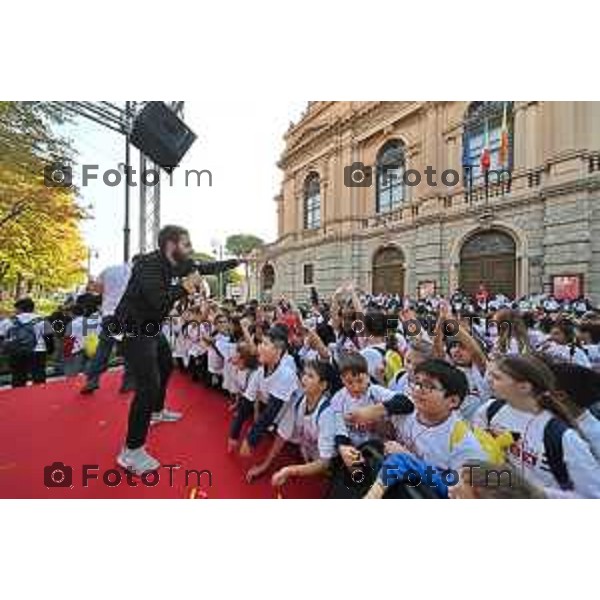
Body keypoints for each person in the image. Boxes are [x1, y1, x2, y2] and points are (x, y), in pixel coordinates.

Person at [115, 225, 239, 474]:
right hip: (132, 328)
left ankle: (157, 412)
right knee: (147, 386)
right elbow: (159, 300)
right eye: (186, 243)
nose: (191, 248)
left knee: (165, 363)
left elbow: (204, 268)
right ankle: (131, 451)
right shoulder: (147, 265)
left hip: (150, 327)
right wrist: (186, 286)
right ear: (171, 245)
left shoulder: (177, 263)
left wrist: (238, 261)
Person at [473, 355, 600, 498]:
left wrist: (536, 492)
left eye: (497, 377)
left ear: (524, 387)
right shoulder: (489, 410)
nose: (489, 381)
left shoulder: (562, 437)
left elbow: (592, 496)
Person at [246, 360, 336, 487]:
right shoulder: (299, 401)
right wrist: (264, 465)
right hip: (306, 454)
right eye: (304, 374)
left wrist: (290, 470)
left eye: (310, 376)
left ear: (323, 385)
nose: (303, 378)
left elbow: (325, 462)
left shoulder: (327, 414)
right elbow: (282, 435)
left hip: (324, 466)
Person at [81, 259, 136, 394]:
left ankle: (92, 380)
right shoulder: (138, 272)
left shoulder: (109, 269)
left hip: (109, 314)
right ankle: (128, 382)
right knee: (131, 350)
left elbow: (97, 289)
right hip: (128, 315)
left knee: (103, 348)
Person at [4, 298, 48, 388]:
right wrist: (49, 349)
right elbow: (48, 337)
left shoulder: (10, 321)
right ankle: (39, 397)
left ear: (20, 309)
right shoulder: (42, 320)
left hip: (17, 351)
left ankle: (17, 397)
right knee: (38, 376)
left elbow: (3, 336)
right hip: (38, 350)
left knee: (18, 376)